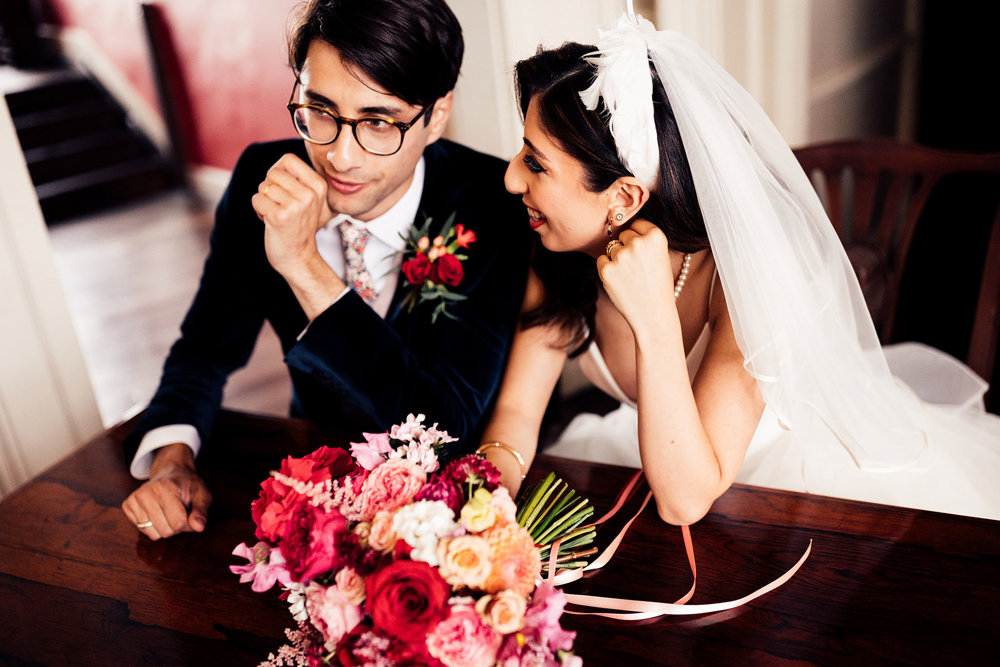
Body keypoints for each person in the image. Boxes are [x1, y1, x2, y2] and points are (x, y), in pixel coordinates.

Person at [478, 5, 1000, 523]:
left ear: (624, 197)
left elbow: (686, 499)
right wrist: (480, 504)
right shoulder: (559, 253)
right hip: (664, 457)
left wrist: (654, 318)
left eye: (535, 162)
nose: (511, 179)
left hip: (803, 494)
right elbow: (519, 416)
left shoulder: (744, 286)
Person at [121, 0, 530, 540]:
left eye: (379, 123)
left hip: (455, 510)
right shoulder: (262, 182)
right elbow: (204, 350)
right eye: (319, 110)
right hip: (312, 481)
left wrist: (304, 265)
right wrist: (172, 459)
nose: (339, 155)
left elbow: (445, 428)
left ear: (437, 115)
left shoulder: (496, 202)